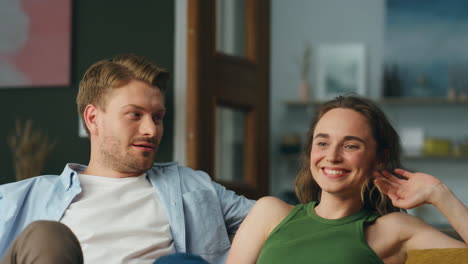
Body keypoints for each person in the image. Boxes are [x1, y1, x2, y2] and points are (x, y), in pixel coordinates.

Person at [0, 54, 254, 264]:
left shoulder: (193, 187)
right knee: (48, 237)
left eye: (157, 117)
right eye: (135, 115)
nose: (152, 130)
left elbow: (280, 221)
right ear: (93, 118)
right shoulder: (22, 197)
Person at [226, 96, 468, 264]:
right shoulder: (269, 212)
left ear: (380, 158)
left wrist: (440, 194)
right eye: (322, 143)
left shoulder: (393, 230)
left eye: (351, 145)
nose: (332, 156)